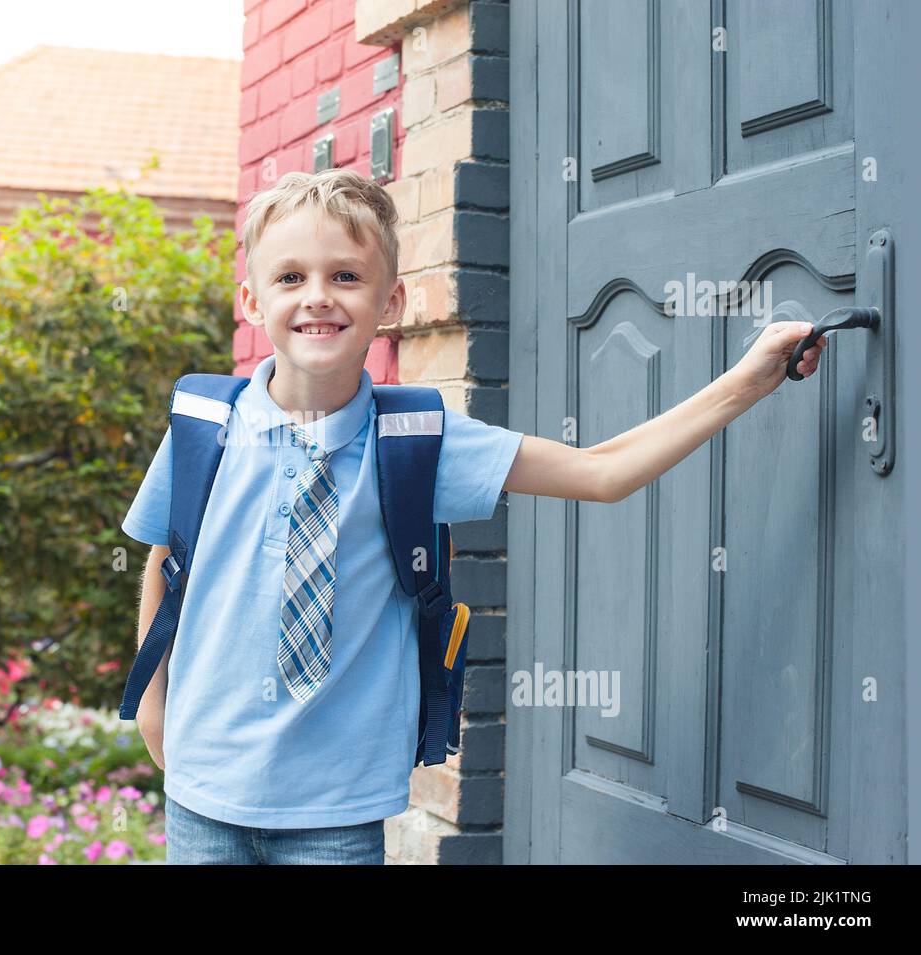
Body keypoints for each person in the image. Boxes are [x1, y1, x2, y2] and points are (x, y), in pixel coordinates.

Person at [120, 168, 828, 865]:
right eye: (289, 278)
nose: (317, 298)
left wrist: (750, 380)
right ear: (250, 298)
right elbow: (166, 560)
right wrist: (153, 706)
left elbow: (601, 471)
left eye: (345, 276)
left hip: (334, 812)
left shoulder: (420, 442)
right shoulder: (202, 426)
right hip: (202, 795)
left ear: (390, 299)